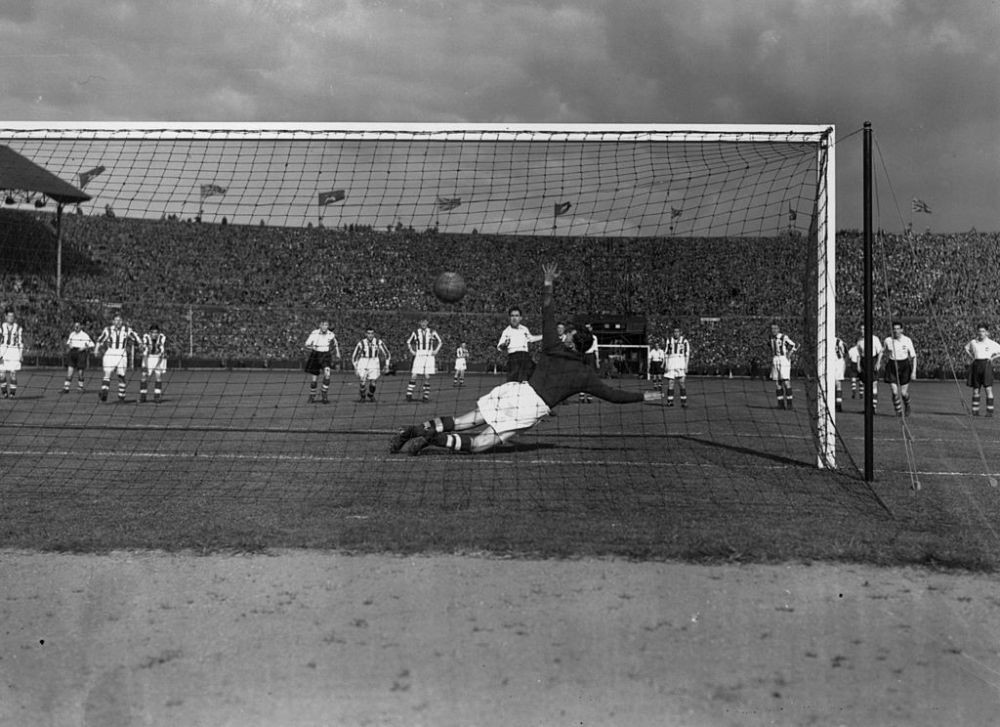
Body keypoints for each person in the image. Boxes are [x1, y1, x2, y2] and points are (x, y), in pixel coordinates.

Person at [390, 263, 663, 455]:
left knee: (465, 420)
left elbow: (547, 311)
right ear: (586, 349)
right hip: (531, 408)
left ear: (570, 339)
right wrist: (644, 397)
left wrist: (547, 283)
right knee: (479, 444)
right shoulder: (586, 375)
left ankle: (413, 430)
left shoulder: (553, 345)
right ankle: (433, 439)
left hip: (517, 391)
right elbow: (613, 396)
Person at [95, 313, 142, 402]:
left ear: (122, 321)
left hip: (121, 353)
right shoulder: (108, 329)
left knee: (121, 375)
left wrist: (140, 344)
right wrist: (96, 349)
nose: (118, 322)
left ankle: (121, 396)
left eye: (119, 320)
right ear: (113, 321)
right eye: (116, 320)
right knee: (107, 373)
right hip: (111, 352)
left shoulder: (127, 330)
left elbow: (136, 337)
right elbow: (100, 339)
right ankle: (104, 393)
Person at [497, 306, 542, 383]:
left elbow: (531, 338)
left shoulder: (524, 329)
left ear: (520, 318)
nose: (514, 318)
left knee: (535, 377)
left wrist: (544, 336)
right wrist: (505, 344)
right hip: (514, 359)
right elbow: (500, 347)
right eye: (512, 316)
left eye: (516, 316)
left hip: (526, 357)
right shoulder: (506, 331)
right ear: (509, 318)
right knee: (513, 383)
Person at [964, 323, 1000, 416]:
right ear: (977, 331)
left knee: (988, 389)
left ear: (987, 332)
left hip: (986, 366)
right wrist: (972, 357)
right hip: (976, 365)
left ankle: (989, 412)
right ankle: (975, 412)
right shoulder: (973, 342)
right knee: (976, 390)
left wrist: (993, 358)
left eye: (983, 331)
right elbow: (966, 348)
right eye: (979, 331)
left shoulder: (991, 343)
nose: (981, 333)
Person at [883, 321, 917, 416]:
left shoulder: (907, 340)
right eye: (894, 329)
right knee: (894, 392)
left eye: (898, 329)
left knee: (903, 393)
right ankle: (898, 411)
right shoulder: (888, 340)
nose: (896, 331)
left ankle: (907, 405)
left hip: (904, 365)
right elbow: (882, 350)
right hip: (892, 365)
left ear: (902, 330)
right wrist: (878, 362)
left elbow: (914, 356)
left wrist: (913, 371)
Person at [405, 317, 443, 402]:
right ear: (419, 323)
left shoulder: (432, 331)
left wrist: (436, 351)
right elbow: (408, 342)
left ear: (427, 322)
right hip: (419, 355)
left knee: (427, 376)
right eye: (422, 322)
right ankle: (409, 394)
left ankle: (425, 396)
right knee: (414, 375)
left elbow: (440, 341)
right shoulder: (415, 332)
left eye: (425, 322)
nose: (423, 324)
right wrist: (412, 351)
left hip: (429, 355)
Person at [303, 319, 340, 404]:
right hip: (315, 355)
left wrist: (338, 353)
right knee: (314, 379)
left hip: (326, 355)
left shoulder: (331, 334)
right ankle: (312, 396)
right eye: (323, 325)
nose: (324, 327)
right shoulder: (314, 333)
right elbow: (306, 344)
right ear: (320, 325)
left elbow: (335, 344)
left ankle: (324, 394)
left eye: (326, 325)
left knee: (327, 374)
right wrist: (313, 346)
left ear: (328, 326)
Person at [351, 327, 391, 402]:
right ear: (366, 334)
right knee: (362, 381)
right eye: (369, 333)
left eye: (372, 333)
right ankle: (363, 397)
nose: (370, 335)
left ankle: (370, 394)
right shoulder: (361, 343)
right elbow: (354, 356)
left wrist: (387, 365)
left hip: (374, 361)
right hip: (363, 361)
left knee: (373, 382)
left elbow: (387, 354)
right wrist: (355, 367)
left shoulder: (378, 342)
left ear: (374, 334)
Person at [768, 323, 798, 409]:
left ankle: (789, 404)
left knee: (786, 381)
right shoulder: (771, 337)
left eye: (775, 328)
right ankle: (780, 404)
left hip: (783, 360)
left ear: (778, 329)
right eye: (772, 328)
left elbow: (794, 345)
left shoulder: (783, 337)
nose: (773, 330)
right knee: (777, 382)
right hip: (775, 359)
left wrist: (789, 354)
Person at [855, 324, 883, 411]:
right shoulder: (859, 341)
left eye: (864, 329)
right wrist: (858, 365)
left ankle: (873, 407)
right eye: (861, 329)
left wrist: (878, 363)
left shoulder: (874, 339)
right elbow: (859, 354)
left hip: (872, 360)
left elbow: (880, 352)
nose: (862, 331)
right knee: (866, 385)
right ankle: (868, 407)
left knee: (873, 383)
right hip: (864, 362)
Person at [64, 320, 95, 393]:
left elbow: (91, 344)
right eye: (75, 326)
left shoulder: (85, 335)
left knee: (80, 372)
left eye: (78, 326)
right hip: (72, 353)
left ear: (80, 327)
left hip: (81, 353)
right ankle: (66, 388)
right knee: (69, 371)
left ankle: (80, 387)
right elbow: (69, 342)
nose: (76, 327)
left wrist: (84, 347)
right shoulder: (72, 334)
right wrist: (70, 345)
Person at [139, 324, 168, 403]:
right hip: (148, 358)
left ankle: (157, 397)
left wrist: (158, 365)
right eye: (153, 332)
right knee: (144, 376)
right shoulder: (146, 338)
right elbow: (145, 354)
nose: (154, 334)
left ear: (158, 333)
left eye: (156, 332)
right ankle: (143, 397)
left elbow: (162, 353)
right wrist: (145, 366)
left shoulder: (162, 338)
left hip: (159, 357)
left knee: (158, 377)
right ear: (150, 333)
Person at [664, 326, 691, 408]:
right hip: (671, 363)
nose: (676, 333)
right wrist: (666, 364)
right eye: (674, 332)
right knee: (670, 382)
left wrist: (686, 366)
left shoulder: (685, 341)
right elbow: (666, 353)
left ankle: (683, 402)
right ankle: (670, 401)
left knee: (681, 383)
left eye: (677, 332)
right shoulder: (669, 340)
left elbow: (687, 354)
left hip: (680, 362)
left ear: (680, 333)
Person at [0, 309, 24, 399]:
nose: (11, 318)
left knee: (13, 374)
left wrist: (21, 354)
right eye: (9, 316)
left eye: (12, 316)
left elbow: (21, 342)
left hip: (14, 353)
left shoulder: (18, 328)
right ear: (6, 317)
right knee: (2, 374)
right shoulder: (1, 327)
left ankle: (12, 394)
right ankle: (5, 392)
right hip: (3, 352)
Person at [578, 323, 599, 403]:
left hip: (590, 357)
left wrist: (597, 360)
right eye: (586, 327)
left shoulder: (594, 338)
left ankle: (590, 396)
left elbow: (596, 349)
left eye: (589, 327)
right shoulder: (580, 337)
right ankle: (582, 395)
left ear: (591, 328)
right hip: (582, 356)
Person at [833, 336, 847, 412]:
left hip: (838, 364)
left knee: (838, 383)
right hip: (830, 364)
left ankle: (838, 405)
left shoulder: (838, 341)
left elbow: (845, 353)